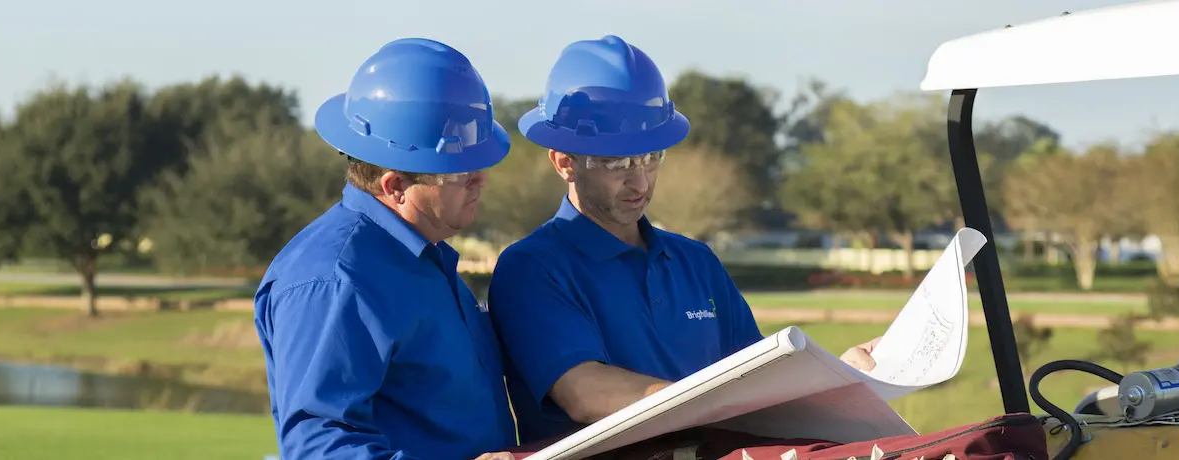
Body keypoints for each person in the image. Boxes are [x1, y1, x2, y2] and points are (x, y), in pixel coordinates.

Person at [486, 35, 881, 445]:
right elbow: (585, 393)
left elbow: (757, 379)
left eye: (651, 157)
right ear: (564, 161)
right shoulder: (532, 267)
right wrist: (719, 404)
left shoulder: (696, 261)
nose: (639, 181)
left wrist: (838, 376)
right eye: (617, 162)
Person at [253, 38, 517, 460]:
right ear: (395, 187)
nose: (480, 180)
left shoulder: (426, 255)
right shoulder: (334, 280)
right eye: (460, 171)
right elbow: (318, 447)